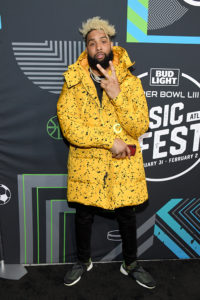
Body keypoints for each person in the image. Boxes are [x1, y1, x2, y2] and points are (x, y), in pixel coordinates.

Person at [57, 16, 156, 289]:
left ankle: (131, 264)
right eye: (92, 43)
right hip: (87, 163)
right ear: (86, 49)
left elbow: (139, 125)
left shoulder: (131, 83)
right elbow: (69, 127)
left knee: (127, 214)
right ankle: (83, 260)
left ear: (111, 45)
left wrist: (117, 94)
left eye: (103, 41)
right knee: (84, 213)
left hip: (122, 163)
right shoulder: (74, 81)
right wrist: (108, 141)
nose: (98, 46)